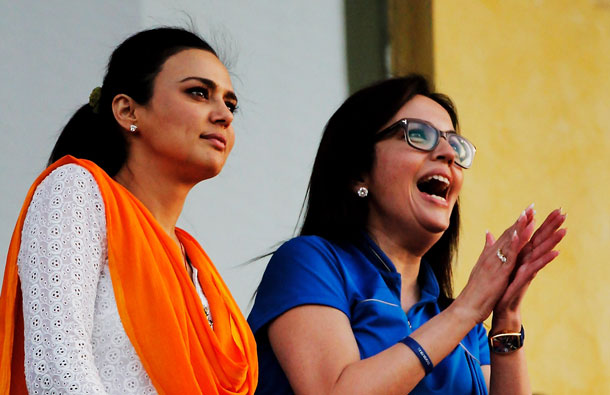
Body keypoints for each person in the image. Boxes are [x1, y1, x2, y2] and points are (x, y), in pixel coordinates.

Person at [248, 75, 566, 394]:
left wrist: (507, 321)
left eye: (454, 144)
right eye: (418, 134)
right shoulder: (310, 263)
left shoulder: (467, 329)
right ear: (359, 170)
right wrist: (467, 309)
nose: (448, 154)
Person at [0, 27, 257, 394]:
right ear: (127, 110)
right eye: (199, 93)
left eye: (230, 104)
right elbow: (58, 372)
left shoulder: (196, 266)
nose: (224, 116)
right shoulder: (77, 190)